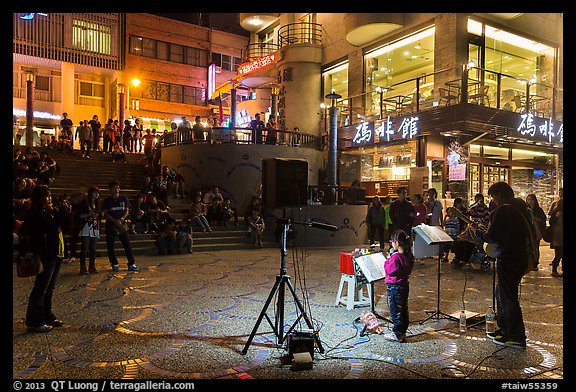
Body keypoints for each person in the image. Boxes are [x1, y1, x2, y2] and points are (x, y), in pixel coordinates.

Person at [472, 181, 536, 349]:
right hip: (520, 256)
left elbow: (492, 236)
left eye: (493, 196)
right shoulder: (521, 207)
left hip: (510, 257)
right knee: (502, 293)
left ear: (500, 194)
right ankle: (505, 329)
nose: (493, 200)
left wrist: (479, 233)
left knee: (507, 296)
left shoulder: (504, 209)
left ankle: (516, 335)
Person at [19, 184, 71, 332]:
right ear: (39, 198)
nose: (49, 198)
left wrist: (66, 213)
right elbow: (49, 227)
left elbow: (64, 227)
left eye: (50, 195)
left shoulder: (48, 211)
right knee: (41, 287)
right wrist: (60, 213)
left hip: (56, 251)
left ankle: (47, 315)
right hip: (45, 254)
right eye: (47, 196)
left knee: (50, 287)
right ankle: (35, 321)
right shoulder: (34, 213)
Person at [382, 229, 415, 343]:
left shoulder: (396, 257)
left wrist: (388, 259)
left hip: (394, 286)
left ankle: (397, 334)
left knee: (395, 310)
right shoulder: (408, 255)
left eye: (392, 241)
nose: (391, 243)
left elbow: (389, 269)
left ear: (397, 243)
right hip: (404, 285)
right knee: (403, 309)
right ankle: (403, 331)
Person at [101, 181, 139, 272]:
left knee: (127, 244)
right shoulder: (107, 200)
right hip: (111, 224)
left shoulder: (124, 198)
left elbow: (127, 211)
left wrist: (121, 219)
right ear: (110, 189)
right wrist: (114, 221)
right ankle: (114, 263)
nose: (116, 190)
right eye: (114, 188)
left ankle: (131, 263)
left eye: (117, 187)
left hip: (121, 223)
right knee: (110, 245)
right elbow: (105, 213)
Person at [77, 186, 101, 274]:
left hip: (95, 227)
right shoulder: (84, 202)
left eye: (98, 193)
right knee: (85, 248)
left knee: (93, 249)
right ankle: (83, 267)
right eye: (95, 192)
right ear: (91, 193)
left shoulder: (98, 203)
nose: (97, 194)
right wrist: (89, 214)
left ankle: (92, 266)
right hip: (86, 227)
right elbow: (79, 215)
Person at [526, 193, 547, 271]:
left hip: (536, 230)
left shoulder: (538, 210)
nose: (530, 201)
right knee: (529, 247)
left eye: (531, 199)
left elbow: (543, 219)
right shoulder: (526, 209)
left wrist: (535, 218)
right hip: (529, 231)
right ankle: (530, 263)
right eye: (528, 199)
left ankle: (535, 263)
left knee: (535, 247)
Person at [548, 199, 563, 277]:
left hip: (557, 236)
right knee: (559, 254)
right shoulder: (557, 213)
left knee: (559, 253)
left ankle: (554, 270)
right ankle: (554, 270)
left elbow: (551, 222)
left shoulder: (555, 212)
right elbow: (552, 222)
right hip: (559, 236)